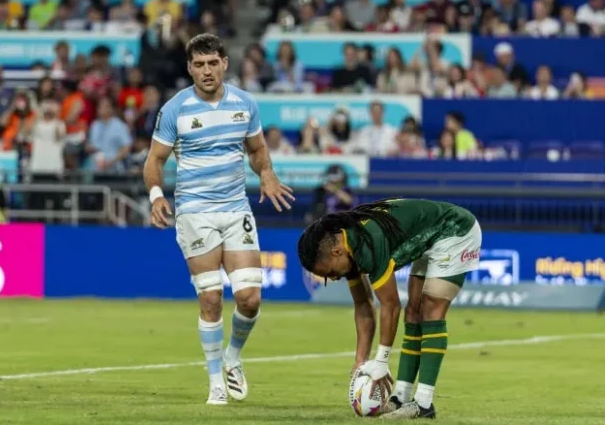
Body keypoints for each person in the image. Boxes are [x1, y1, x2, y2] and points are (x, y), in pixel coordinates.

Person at [143, 33, 294, 405]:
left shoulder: (245, 104)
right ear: (189, 68)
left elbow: (257, 150)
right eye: (199, 64)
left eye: (213, 63)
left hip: (236, 209)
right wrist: (156, 195)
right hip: (194, 212)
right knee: (210, 298)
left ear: (225, 63)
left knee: (250, 299)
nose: (207, 71)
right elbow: (155, 160)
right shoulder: (175, 109)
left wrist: (267, 173)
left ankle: (232, 358)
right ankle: (215, 384)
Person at [297, 198, 482, 420]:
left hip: (455, 229)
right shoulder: (349, 250)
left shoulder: (367, 243)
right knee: (413, 313)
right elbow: (364, 305)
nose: (333, 278)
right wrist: (361, 360)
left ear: (336, 251)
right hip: (428, 238)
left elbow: (391, 305)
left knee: (431, 309)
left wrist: (382, 361)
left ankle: (424, 403)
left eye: (329, 273)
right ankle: (400, 398)